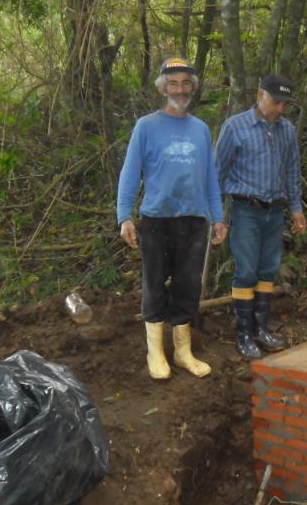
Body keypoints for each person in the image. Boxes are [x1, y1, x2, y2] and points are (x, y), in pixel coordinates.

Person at [117, 57, 227, 380]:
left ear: (193, 87)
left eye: (185, 83)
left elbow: (210, 179)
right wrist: (125, 216)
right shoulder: (146, 127)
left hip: (193, 221)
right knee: (154, 284)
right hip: (156, 219)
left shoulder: (201, 129)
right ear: (163, 88)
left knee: (188, 285)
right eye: (173, 83)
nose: (180, 89)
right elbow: (130, 173)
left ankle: (182, 352)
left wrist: (217, 218)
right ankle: (156, 352)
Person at [215, 74, 307, 360]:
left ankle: (261, 329)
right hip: (245, 209)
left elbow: (292, 171)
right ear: (260, 95)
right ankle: (243, 333)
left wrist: (296, 209)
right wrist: (216, 215)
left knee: (268, 269)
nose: (280, 108)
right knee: (246, 271)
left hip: (275, 210)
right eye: (275, 102)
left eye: (284, 104)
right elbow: (217, 172)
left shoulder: (287, 130)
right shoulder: (236, 127)